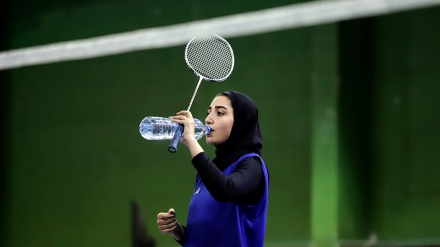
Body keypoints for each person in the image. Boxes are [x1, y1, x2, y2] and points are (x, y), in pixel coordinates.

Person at [156, 91, 269, 247]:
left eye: (220, 113)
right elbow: (203, 237)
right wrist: (177, 230)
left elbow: (225, 190)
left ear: (241, 122)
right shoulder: (206, 174)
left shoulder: (253, 165)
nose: (208, 119)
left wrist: (190, 141)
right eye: (208, 112)